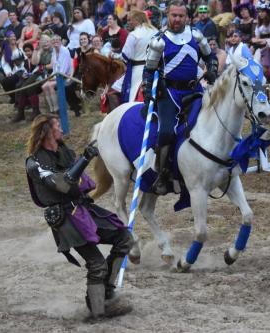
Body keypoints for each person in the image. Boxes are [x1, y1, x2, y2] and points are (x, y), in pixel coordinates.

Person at [25, 114, 133, 318]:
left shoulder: (65, 153)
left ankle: (107, 291)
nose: (62, 129)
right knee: (97, 264)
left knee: (125, 239)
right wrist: (85, 158)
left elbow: (82, 183)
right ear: (47, 131)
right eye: (58, 126)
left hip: (83, 209)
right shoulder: (34, 164)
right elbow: (64, 185)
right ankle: (98, 311)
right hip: (65, 218)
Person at [142, 0, 218, 195]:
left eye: (180, 16)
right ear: (168, 15)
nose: (177, 19)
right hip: (169, 93)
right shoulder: (158, 41)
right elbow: (149, 71)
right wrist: (148, 93)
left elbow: (211, 57)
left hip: (194, 91)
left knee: (214, 121)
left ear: (187, 17)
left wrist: (211, 69)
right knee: (167, 131)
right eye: (173, 15)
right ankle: (162, 173)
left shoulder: (196, 36)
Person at [115, 9, 157, 103]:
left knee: (130, 97)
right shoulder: (155, 31)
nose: (128, 22)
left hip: (137, 70)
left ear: (137, 20)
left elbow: (125, 55)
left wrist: (114, 55)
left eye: (130, 20)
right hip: (155, 69)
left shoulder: (134, 34)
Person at [42, 34, 72, 113]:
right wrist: (51, 76)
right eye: (53, 40)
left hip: (65, 75)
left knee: (50, 85)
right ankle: (51, 108)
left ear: (60, 41)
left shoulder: (65, 51)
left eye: (57, 40)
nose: (55, 42)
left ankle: (56, 109)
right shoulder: (54, 52)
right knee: (44, 86)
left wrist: (54, 78)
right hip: (56, 75)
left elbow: (64, 68)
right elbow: (54, 67)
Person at [12, 42, 41, 122]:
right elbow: (21, 70)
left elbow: (38, 69)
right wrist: (23, 75)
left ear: (32, 50)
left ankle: (36, 110)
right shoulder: (25, 61)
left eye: (29, 51)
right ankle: (20, 112)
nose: (27, 52)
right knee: (19, 86)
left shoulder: (36, 57)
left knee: (26, 87)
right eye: (26, 51)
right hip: (28, 79)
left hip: (38, 78)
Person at [0, 31, 25, 105]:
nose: (13, 38)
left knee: (12, 80)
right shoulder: (6, 51)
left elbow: (25, 58)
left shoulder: (19, 47)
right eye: (11, 36)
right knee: (4, 82)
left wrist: (21, 48)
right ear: (7, 39)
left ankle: (17, 99)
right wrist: (8, 72)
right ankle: (13, 97)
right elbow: (4, 63)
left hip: (22, 70)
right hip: (13, 71)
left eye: (14, 36)